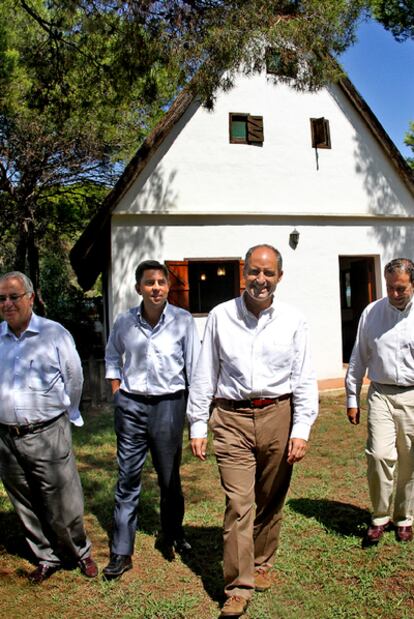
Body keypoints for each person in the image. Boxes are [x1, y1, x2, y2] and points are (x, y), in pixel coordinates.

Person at [187, 244, 318, 617]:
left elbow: (304, 377)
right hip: (231, 420)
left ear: (279, 276)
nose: (260, 280)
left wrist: (302, 427)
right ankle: (238, 586)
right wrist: (198, 422)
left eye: (268, 273)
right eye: (254, 272)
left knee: (271, 496)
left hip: (279, 414)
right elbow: (204, 372)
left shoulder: (294, 319)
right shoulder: (220, 316)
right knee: (239, 504)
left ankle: (261, 560)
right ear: (243, 273)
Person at [103, 260, 201, 579]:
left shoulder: (184, 321)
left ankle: (172, 533)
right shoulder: (124, 322)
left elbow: (195, 368)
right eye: (149, 283)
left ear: (168, 287)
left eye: (161, 282)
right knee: (127, 477)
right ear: (138, 288)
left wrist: (194, 413)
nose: (156, 287)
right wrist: (117, 391)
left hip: (169, 405)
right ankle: (121, 551)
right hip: (131, 405)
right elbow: (112, 355)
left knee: (169, 478)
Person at [0, 271, 97, 583]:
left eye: (14, 296)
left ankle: (79, 552)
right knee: (24, 500)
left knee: (64, 500)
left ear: (30, 298)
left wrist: (68, 413)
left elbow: (75, 377)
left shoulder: (54, 334)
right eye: (2, 298)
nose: (7, 303)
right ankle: (46, 555)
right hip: (6, 437)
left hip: (47, 431)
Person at [346, 257, 414, 545]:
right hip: (380, 393)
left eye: (401, 288)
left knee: (410, 459)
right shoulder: (372, 313)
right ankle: (379, 517)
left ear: (413, 284)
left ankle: (405, 517)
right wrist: (352, 395)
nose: (395, 294)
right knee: (378, 455)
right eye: (390, 288)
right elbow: (359, 354)